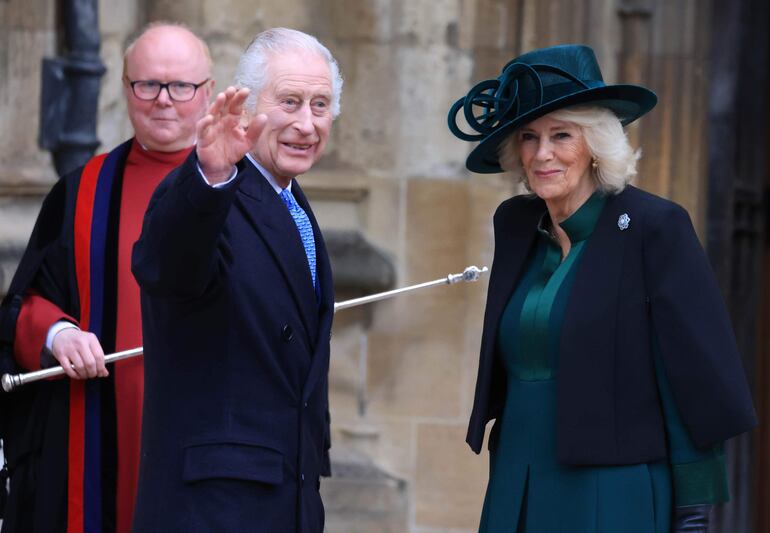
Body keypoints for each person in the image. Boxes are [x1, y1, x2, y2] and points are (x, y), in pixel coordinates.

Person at [447, 44, 757, 533]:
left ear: (594, 143)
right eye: (529, 137)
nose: (542, 153)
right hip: (515, 483)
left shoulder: (656, 227)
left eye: (561, 134)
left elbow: (690, 376)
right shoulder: (516, 225)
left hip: (612, 491)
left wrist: (692, 510)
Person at [0, 23, 213, 533]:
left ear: (208, 94)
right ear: (125, 88)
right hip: (97, 440)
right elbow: (24, 304)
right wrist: (59, 333)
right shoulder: (82, 192)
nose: (164, 101)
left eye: (181, 86)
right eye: (148, 85)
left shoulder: (250, 194)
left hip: (214, 442)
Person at [130, 27, 342, 532]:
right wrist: (209, 176)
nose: (306, 124)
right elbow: (165, 268)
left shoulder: (293, 203)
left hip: (285, 500)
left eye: (320, 105)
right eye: (289, 102)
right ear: (246, 109)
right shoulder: (209, 188)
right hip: (213, 507)